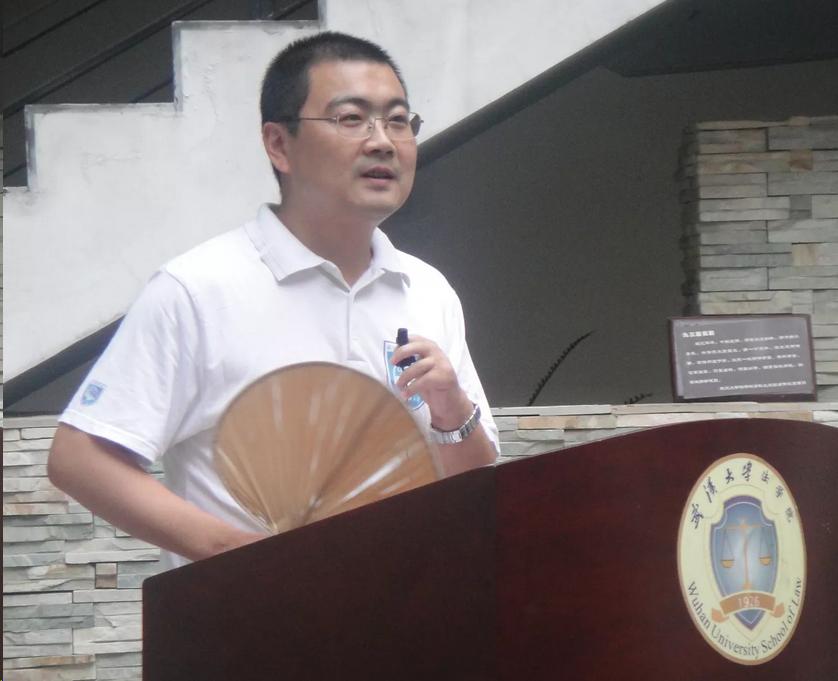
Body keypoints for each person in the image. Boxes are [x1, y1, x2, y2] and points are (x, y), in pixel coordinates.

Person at [48, 31, 499, 571]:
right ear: (278, 144)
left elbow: (473, 479)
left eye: (398, 120)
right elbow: (79, 459)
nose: (382, 141)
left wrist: (451, 409)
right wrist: (242, 558)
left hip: (407, 624)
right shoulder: (198, 289)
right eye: (351, 118)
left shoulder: (428, 290)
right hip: (249, 635)